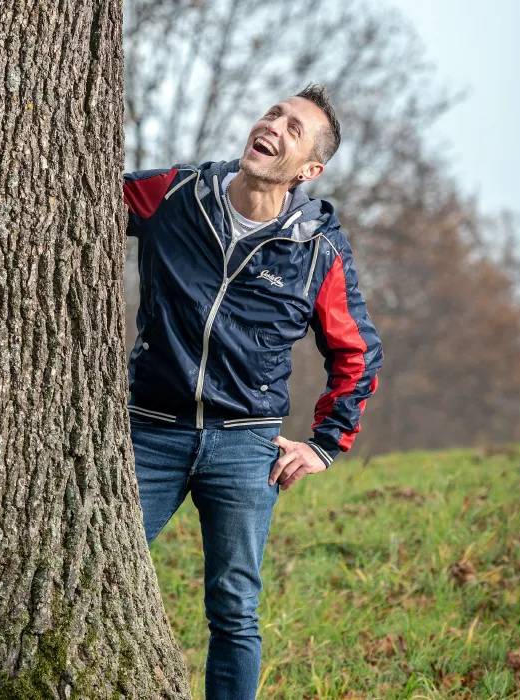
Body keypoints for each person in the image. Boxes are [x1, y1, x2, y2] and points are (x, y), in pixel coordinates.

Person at [122, 84, 383, 700]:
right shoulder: (176, 194)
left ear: (309, 169)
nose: (275, 126)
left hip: (245, 450)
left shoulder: (315, 249)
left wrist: (322, 446)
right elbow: (71, 188)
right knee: (95, 568)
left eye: (295, 129)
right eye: (275, 114)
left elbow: (358, 354)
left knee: (235, 611)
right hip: (150, 432)